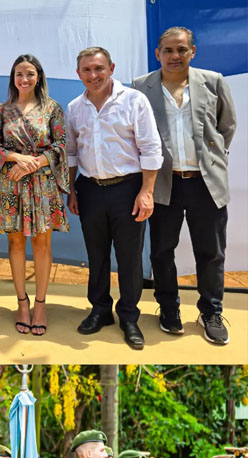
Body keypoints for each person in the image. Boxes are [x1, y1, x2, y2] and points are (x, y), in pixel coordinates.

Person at [132, 27, 237, 345]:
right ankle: (168, 308)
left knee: (211, 252)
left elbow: (226, 126)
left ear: (193, 51)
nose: (174, 56)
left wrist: (213, 159)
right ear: (158, 54)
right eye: (168, 50)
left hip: (205, 182)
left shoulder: (213, 81)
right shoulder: (141, 87)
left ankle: (211, 312)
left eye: (181, 49)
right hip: (164, 183)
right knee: (162, 250)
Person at [66, 47, 163, 350]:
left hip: (128, 189)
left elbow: (151, 148)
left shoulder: (134, 100)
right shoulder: (75, 108)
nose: (93, 75)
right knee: (96, 255)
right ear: (78, 73)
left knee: (129, 257)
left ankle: (129, 317)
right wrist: (71, 189)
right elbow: (71, 152)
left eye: (99, 68)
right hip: (90, 189)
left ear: (111, 68)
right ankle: (100, 310)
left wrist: (146, 192)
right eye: (86, 70)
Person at [0, 54, 69, 336]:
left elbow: (61, 145)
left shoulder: (51, 108)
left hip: (42, 184)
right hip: (11, 184)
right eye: (19, 74)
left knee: (42, 243)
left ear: (39, 77)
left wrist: (33, 163)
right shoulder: (2, 110)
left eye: (30, 74)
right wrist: (17, 158)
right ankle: (22, 303)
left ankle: (41, 304)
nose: (24, 79)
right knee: (15, 242)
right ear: (13, 78)